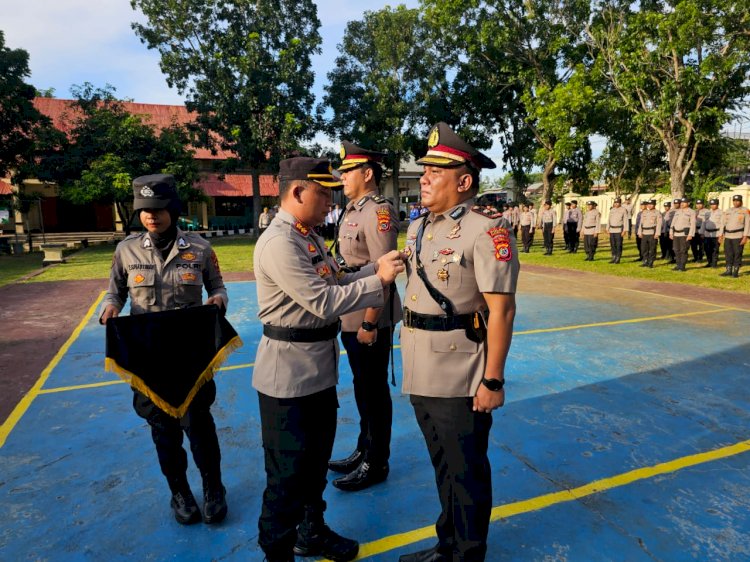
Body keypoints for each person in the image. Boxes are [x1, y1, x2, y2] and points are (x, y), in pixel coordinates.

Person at [252, 157, 404, 562]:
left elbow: (337, 279)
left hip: (316, 370)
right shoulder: (280, 242)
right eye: (323, 192)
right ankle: (277, 552)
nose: (331, 200)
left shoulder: (309, 237)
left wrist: (376, 267)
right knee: (286, 477)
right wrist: (379, 281)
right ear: (298, 192)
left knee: (315, 464)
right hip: (288, 376)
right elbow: (322, 302)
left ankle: (312, 532)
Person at [399, 122, 519, 562]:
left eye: (436, 171)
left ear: (464, 182)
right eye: (425, 169)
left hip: (461, 370)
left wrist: (493, 380)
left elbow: (501, 310)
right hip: (420, 364)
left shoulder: (487, 232)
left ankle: (468, 553)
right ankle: (446, 544)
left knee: (466, 471)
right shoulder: (418, 228)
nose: (425, 177)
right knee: (443, 465)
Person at [100, 174, 229, 526]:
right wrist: (111, 306)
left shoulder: (200, 248)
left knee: (199, 426)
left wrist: (218, 298)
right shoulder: (125, 250)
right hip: (149, 355)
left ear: (172, 208)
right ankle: (180, 492)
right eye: (144, 210)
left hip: (190, 353)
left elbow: (216, 285)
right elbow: (115, 292)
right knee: (163, 431)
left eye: (157, 209)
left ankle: (213, 488)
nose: (151, 216)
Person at [328, 141, 402, 492]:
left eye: (347, 171)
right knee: (361, 386)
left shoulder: (378, 212)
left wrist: (371, 322)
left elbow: (385, 272)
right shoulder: (352, 210)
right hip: (351, 309)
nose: (342, 176)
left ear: (367, 174)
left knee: (373, 391)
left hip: (370, 313)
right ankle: (363, 447)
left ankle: (377, 461)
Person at [719, 194, 750, 278]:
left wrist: (745, 236)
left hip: (738, 236)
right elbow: (723, 223)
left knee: (737, 253)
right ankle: (728, 270)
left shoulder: (745, 211)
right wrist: (720, 234)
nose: (736, 202)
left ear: (741, 201)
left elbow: (748, 224)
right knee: (728, 253)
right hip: (728, 236)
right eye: (734, 201)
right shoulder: (728, 210)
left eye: (737, 201)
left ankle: (735, 271)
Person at [669, 197, 696, 272]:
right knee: (676, 250)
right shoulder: (678, 211)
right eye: (681, 203)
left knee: (683, 250)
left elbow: (693, 224)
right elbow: (673, 222)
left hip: (684, 234)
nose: (682, 204)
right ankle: (678, 265)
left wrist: (690, 235)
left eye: (684, 202)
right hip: (676, 234)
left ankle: (682, 266)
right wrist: (671, 232)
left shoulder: (691, 212)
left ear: (688, 203)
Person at [638, 199, 662, 268]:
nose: (649, 206)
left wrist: (657, 233)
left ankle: (651, 262)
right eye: (648, 204)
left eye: (651, 204)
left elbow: (659, 224)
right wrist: (640, 232)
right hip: (644, 233)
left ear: (654, 205)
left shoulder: (657, 213)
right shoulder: (644, 213)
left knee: (652, 249)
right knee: (643, 248)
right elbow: (641, 224)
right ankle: (645, 261)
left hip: (652, 233)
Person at [700, 198, 723, 268]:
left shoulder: (721, 213)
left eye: (714, 204)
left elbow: (722, 224)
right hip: (707, 233)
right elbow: (703, 223)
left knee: (715, 249)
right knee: (707, 249)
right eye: (711, 204)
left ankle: (714, 263)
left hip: (716, 233)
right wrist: (702, 232)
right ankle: (709, 262)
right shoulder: (707, 213)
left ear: (717, 204)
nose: (712, 206)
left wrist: (721, 235)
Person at [607, 197, 627, 263]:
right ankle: (613, 257)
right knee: (613, 244)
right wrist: (607, 228)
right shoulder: (612, 210)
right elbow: (609, 220)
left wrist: (624, 230)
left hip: (619, 230)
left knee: (618, 245)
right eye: (615, 203)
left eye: (617, 202)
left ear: (620, 203)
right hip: (612, 230)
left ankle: (618, 257)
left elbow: (625, 221)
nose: (616, 204)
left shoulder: (623, 210)